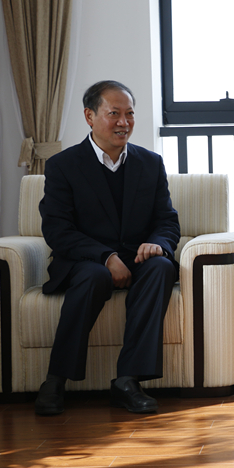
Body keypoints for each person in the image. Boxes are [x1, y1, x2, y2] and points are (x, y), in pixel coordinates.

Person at [34, 80, 180, 415]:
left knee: (160, 267)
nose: (124, 122)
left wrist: (157, 244)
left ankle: (128, 381)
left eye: (130, 114)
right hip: (85, 259)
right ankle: (55, 379)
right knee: (94, 276)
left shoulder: (150, 163)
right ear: (90, 116)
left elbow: (167, 221)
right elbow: (57, 230)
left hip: (138, 256)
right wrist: (106, 256)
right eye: (114, 113)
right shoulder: (63, 165)